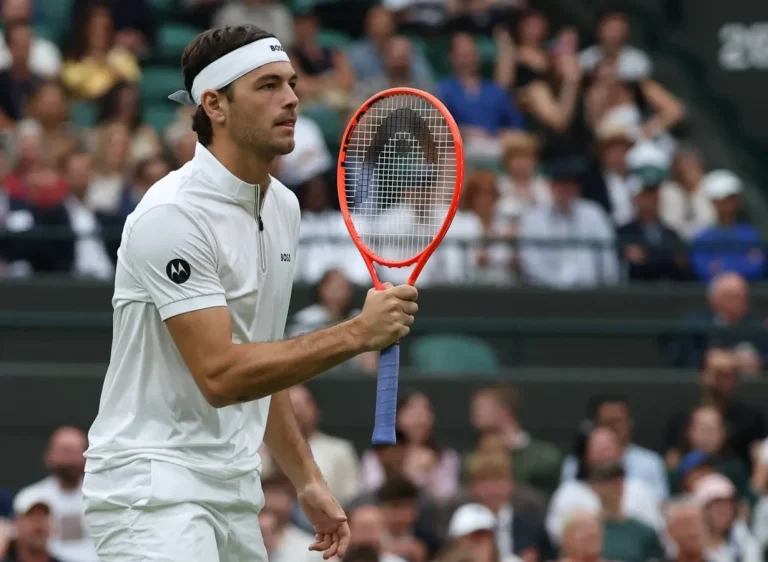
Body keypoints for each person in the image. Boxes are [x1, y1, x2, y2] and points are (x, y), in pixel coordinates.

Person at [81, 25, 419, 562]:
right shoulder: (172, 215)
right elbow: (222, 375)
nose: (290, 99)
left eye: (290, 83)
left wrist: (306, 478)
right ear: (214, 104)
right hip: (152, 490)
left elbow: (262, 357)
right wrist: (357, 332)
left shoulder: (283, 207)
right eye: (266, 86)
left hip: (234, 491)